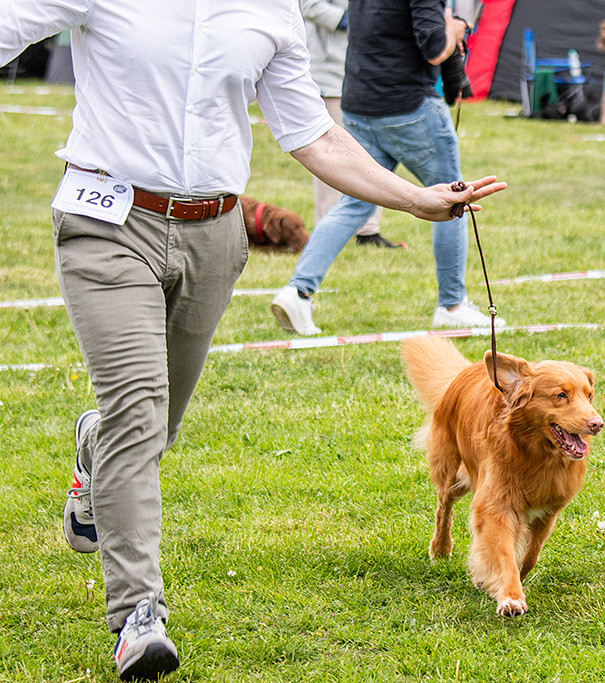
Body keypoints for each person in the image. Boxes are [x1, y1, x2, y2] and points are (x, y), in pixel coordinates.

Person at [0, 1, 504, 679]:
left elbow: (314, 135)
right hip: (107, 222)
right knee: (140, 410)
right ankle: (138, 615)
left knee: (153, 427)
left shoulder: (273, 9)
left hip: (214, 233)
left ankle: (97, 444)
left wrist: (413, 198)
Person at [271, 0, 502, 336]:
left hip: (359, 102)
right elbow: (435, 48)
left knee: (354, 202)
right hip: (409, 106)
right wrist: (455, 28)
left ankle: (298, 292)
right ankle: (452, 306)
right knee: (453, 200)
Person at [300, 0, 406, 249]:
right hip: (331, 75)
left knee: (373, 153)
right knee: (330, 156)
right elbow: (311, 6)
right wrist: (359, 20)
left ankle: (368, 231)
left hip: (369, 73)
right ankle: (326, 230)